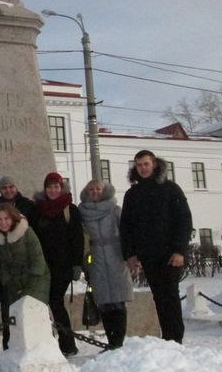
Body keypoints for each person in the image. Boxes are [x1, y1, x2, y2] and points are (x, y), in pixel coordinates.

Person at [120, 149, 193, 343]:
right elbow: (126, 227)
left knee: (170, 296)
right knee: (159, 297)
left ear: (155, 165)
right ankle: (167, 338)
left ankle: (175, 339)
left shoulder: (170, 189)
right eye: (139, 165)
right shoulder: (132, 194)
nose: (143, 168)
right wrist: (130, 254)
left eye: (146, 164)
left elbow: (184, 221)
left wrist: (179, 250)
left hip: (170, 255)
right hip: (148, 256)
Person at [31, 172, 84, 356]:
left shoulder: (71, 209)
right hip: (43, 266)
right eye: (49, 187)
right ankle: (45, 342)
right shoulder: (37, 210)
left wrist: (77, 264)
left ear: (61, 188)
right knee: (43, 303)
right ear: (45, 189)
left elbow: (78, 239)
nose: (53, 190)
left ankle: (67, 343)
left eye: (56, 187)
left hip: (63, 266)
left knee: (55, 301)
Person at [79, 179, 133, 348]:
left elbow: (126, 233)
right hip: (95, 260)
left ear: (105, 191)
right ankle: (112, 341)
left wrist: (130, 256)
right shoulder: (82, 213)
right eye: (91, 189)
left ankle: (119, 342)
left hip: (116, 258)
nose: (95, 192)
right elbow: (84, 241)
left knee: (118, 302)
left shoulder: (115, 210)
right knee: (103, 303)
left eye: (98, 189)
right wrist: (87, 263)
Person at [0, 203, 49, 311]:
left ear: (13, 217)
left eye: (6, 218)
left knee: (32, 312)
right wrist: (9, 283)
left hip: (35, 280)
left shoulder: (26, 232)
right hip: (14, 284)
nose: (3, 222)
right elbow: (2, 264)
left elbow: (38, 260)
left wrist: (28, 288)